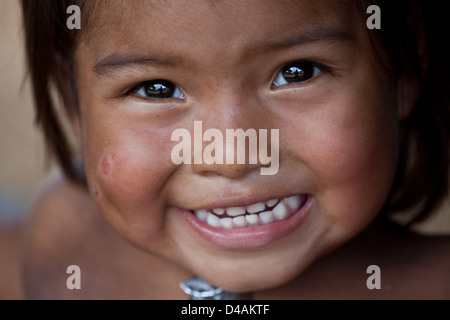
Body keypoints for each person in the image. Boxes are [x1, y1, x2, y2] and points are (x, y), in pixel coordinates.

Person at [12, 0, 450, 299]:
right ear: (73, 100)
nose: (231, 157)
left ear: (403, 67)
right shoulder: (66, 237)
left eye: (297, 72)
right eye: (157, 88)